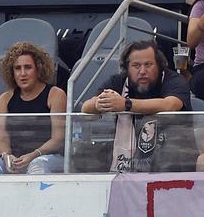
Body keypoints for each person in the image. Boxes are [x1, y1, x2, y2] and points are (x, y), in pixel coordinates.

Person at [81, 40, 193, 173]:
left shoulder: (174, 80)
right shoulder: (118, 81)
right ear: (127, 68)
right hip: (130, 156)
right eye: (136, 65)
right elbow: (86, 108)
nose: (142, 71)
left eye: (148, 65)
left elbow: (171, 104)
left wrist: (125, 104)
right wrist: (99, 104)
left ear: (159, 65)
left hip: (171, 154)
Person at [0, 41, 67, 174]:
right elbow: (2, 137)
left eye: (28, 67)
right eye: (17, 68)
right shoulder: (5, 98)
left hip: (48, 157)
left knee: (37, 166)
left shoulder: (55, 94)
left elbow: (58, 139)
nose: (22, 73)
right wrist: (7, 156)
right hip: (16, 158)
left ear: (38, 68)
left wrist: (33, 155)